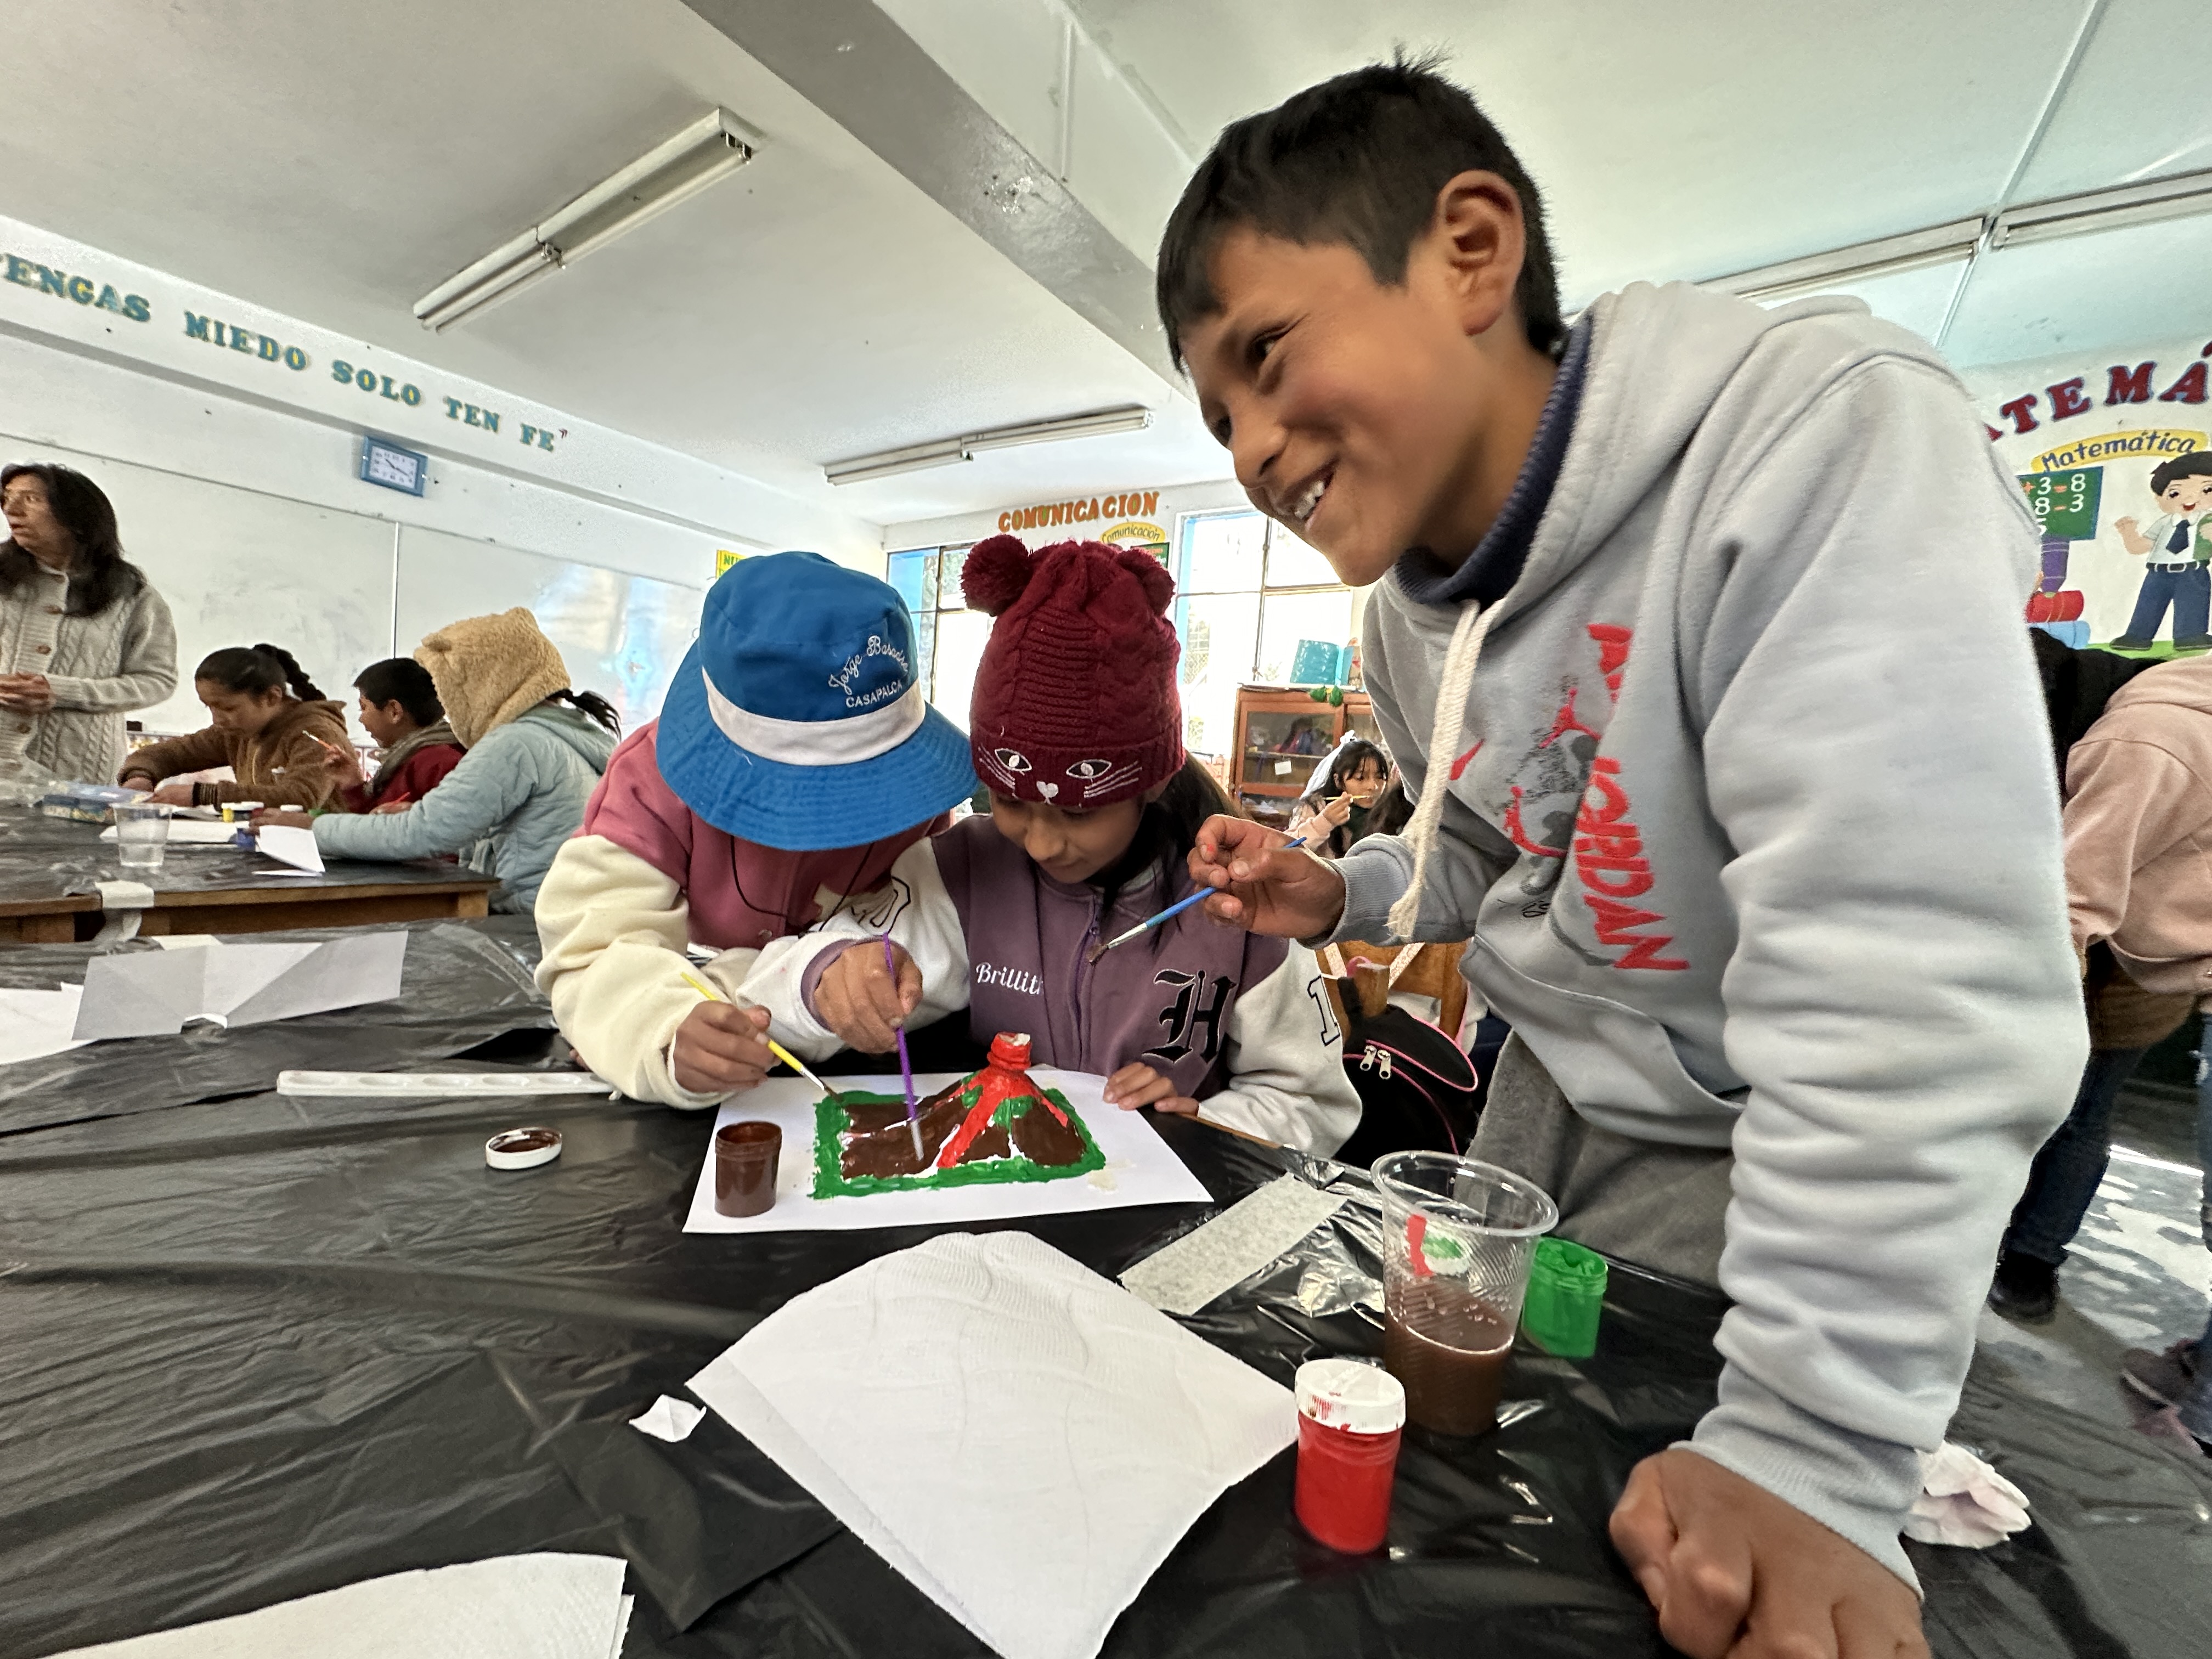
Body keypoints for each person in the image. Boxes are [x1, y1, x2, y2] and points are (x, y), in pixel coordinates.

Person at [1159, 59, 2080, 1657]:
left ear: (1469, 250)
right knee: (1501, 1516)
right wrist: (1347, 893)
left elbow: (1914, 977)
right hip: (1541, 1105)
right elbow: (1473, 851)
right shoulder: (1404, 618)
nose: (1249, 447)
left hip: (1749, 1154)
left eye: (1266, 357)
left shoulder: (1812, 444)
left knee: (1700, 1554)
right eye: (1219, 417)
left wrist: (1815, 1451)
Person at [739, 535, 1360, 1154]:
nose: (1040, 842)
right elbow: (765, 996)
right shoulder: (966, 872)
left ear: (1154, 781)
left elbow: (1311, 1103)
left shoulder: (1239, 901)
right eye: (1009, 801)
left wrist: (1201, 1126)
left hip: (1173, 1217)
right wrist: (826, 980)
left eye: (1076, 812)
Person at [533, 552, 979, 1105]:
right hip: (717, 1040)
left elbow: (913, 931)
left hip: (837, 1051)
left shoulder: (918, 796)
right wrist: (664, 1027)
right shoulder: (651, 781)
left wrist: (858, 976)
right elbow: (594, 946)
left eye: (864, 784)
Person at [1991, 655, 2212, 1323]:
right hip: (2159, 950)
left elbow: (2069, 909)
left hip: (2130, 965)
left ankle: (2027, 1259)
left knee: (2071, 1115)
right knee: (2083, 1116)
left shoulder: (2138, 740)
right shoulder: (2179, 700)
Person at [283, 610, 614, 913]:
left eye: (450, 690)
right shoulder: (565, 734)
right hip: (556, 909)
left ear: (483, 684)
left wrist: (313, 829)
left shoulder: (517, 743)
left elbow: (423, 834)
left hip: (523, 917)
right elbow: (517, 829)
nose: (448, 705)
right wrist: (420, 813)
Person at [0, 462, 177, 786]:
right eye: (7, 497)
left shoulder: (131, 594)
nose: (11, 509)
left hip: (75, 775)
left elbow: (158, 680)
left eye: (31, 499)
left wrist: (65, 691)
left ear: (76, 515)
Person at [119, 643, 347, 809]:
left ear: (271, 697)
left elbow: (301, 796)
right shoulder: (236, 732)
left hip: (327, 859)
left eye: (228, 708)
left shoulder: (315, 733)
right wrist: (140, 777)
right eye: (209, 707)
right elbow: (166, 754)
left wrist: (203, 794)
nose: (217, 719)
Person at [2109, 452, 2212, 650]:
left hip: (2192, 572)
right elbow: (2140, 547)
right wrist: (2128, 533)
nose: (2191, 498)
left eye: (2207, 490)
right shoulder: (2164, 523)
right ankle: (2137, 637)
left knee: (2192, 604)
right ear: (2159, 499)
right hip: (2157, 572)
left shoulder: (2208, 520)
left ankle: (2190, 636)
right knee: (2148, 604)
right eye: (2175, 493)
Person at [340, 657, 463, 813]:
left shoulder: (439, 761)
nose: (361, 718)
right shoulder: (408, 757)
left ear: (394, 711)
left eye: (363, 708)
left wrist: (415, 816)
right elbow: (373, 822)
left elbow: (454, 823)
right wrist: (353, 785)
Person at [1289, 737, 1402, 857]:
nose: (1373, 786)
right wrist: (1324, 822)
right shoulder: (1317, 806)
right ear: (1338, 781)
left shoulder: (1390, 811)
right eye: (1360, 778)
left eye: (1380, 777)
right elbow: (1288, 848)